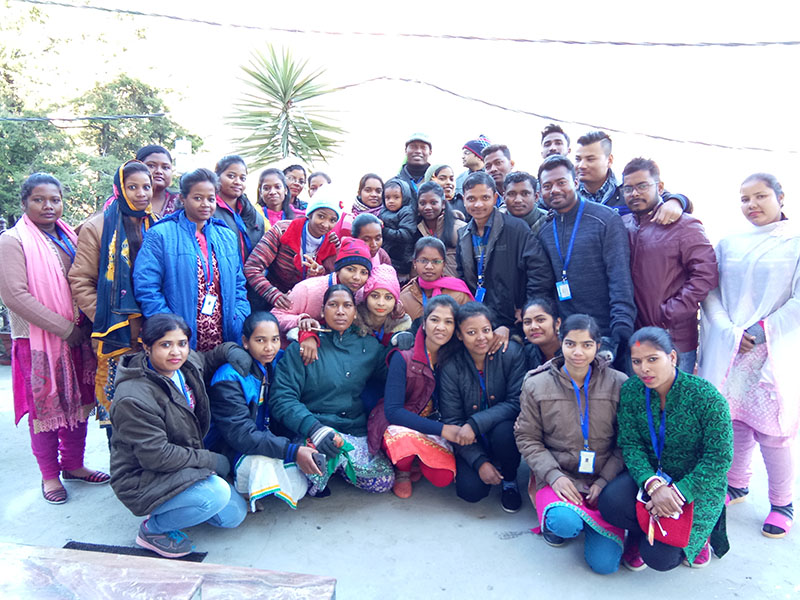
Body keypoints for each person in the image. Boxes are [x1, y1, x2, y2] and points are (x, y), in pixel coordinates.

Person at [699, 173, 799, 539]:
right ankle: (736, 483)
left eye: (760, 196)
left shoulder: (795, 241)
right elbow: (710, 291)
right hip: (732, 348)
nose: (752, 205)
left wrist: (759, 331)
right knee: (733, 421)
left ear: (780, 197)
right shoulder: (729, 243)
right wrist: (729, 331)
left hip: (772, 349)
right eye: (745, 199)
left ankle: (782, 503)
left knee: (774, 432)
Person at [0, 173, 108, 505]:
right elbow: (15, 296)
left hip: (77, 338)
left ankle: (74, 464)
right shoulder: (12, 241)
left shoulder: (69, 236)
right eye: (39, 199)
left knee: (80, 402)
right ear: (24, 203)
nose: (48, 206)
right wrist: (65, 330)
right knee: (45, 410)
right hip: (38, 343)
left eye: (55, 199)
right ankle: (49, 475)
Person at [109, 314, 248, 559]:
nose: (176, 352)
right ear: (146, 347)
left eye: (182, 343)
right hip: (143, 476)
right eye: (165, 345)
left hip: (180, 464)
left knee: (233, 516)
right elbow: (157, 456)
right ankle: (153, 530)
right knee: (214, 495)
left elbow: (208, 358)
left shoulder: (185, 365)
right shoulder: (133, 397)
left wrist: (231, 350)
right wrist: (209, 461)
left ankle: (179, 505)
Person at [599, 328, 733, 571]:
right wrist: (653, 485)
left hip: (696, 484)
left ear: (671, 357)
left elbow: (719, 458)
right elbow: (631, 444)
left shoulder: (705, 397)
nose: (644, 369)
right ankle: (642, 530)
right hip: (652, 477)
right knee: (610, 503)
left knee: (660, 558)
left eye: (652, 359)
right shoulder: (632, 390)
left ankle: (700, 538)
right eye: (637, 361)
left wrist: (678, 493)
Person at [515, 314, 627, 574]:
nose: (578, 352)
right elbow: (527, 437)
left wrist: (605, 480)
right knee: (565, 524)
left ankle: (590, 520)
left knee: (605, 566)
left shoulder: (619, 383)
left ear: (598, 346)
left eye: (586, 345)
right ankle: (566, 519)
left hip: (604, 480)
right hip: (559, 475)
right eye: (570, 344)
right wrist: (553, 476)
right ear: (560, 342)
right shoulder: (536, 383)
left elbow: (626, 441)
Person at [270, 284, 394, 496]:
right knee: (310, 473)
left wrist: (401, 344)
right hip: (314, 430)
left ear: (355, 312)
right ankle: (326, 468)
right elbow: (281, 398)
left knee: (384, 480)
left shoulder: (369, 346)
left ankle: (337, 464)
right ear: (322, 310)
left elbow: (394, 371)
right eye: (333, 305)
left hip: (352, 430)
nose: (340, 311)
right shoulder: (303, 346)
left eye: (347, 306)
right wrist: (314, 429)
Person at [69, 160, 157, 424]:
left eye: (146, 187)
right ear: (120, 189)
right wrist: (105, 316)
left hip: (153, 331)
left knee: (153, 411)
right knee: (118, 413)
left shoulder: (158, 225)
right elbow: (80, 280)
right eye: (133, 187)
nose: (141, 193)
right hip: (115, 335)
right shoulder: (97, 227)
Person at [206, 311, 321, 511]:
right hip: (232, 448)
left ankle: (258, 485)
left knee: (301, 480)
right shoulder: (229, 377)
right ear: (245, 342)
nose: (269, 348)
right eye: (260, 340)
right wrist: (291, 451)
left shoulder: (278, 362)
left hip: (268, 438)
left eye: (275, 339)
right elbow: (241, 435)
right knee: (262, 465)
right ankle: (235, 482)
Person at [537, 155, 635, 372]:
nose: (554, 190)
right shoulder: (545, 230)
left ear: (575, 182)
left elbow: (620, 277)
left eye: (561, 182)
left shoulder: (605, 219)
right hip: (569, 338)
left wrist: (621, 329)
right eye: (547, 186)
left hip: (607, 334)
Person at [133, 168, 250, 351]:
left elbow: (239, 284)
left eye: (211, 199)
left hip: (225, 336)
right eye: (198, 198)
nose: (205, 204)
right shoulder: (161, 234)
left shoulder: (226, 236)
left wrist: (239, 317)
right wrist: (169, 327)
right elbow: (146, 287)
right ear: (182, 198)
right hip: (178, 342)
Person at [622, 158, 718, 373]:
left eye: (642, 186)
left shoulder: (685, 225)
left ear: (660, 187)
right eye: (628, 188)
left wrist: (670, 312)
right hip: (635, 338)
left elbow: (706, 275)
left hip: (674, 339)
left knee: (675, 395)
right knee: (637, 394)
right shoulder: (624, 225)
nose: (634, 193)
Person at [368, 295, 462, 498]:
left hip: (433, 423)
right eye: (435, 320)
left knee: (443, 477)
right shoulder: (403, 356)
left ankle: (416, 460)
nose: (441, 327)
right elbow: (393, 412)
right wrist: (443, 430)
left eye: (448, 322)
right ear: (425, 323)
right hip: (399, 424)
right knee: (403, 442)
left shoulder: (455, 357)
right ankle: (403, 469)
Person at [439, 302, 526, 511]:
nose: (481, 337)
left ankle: (510, 480)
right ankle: (486, 463)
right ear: (459, 335)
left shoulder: (511, 353)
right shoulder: (451, 366)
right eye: (471, 332)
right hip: (468, 440)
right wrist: (479, 462)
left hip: (500, 434)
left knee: (505, 431)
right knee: (471, 491)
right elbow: (452, 420)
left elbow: (517, 402)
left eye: (486, 330)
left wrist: (475, 424)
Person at [456, 171, 554, 334]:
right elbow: (462, 276)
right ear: (463, 199)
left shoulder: (515, 228)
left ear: (495, 198)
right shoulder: (463, 235)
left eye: (485, 198)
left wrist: (528, 307)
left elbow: (540, 271)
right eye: (471, 199)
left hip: (514, 318)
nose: (478, 204)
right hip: (480, 319)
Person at [243, 185, 342, 309]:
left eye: (332, 220)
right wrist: (274, 295)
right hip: (269, 301)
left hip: (305, 303)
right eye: (321, 216)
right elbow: (252, 268)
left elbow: (332, 280)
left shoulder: (331, 243)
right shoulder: (282, 230)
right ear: (310, 214)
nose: (325, 224)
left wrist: (319, 274)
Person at [272, 237, 372, 349]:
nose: (357, 277)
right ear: (338, 269)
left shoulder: (361, 294)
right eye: (350, 269)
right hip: (295, 348)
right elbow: (276, 316)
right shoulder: (308, 289)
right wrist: (301, 321)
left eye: (363, 272)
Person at [575, 130, 691, 221]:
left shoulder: (628, 188)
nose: (581, 165)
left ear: (609, 160)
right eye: (578, 159)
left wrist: (676, 202)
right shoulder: (570, 194)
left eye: (590, 159)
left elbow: (671, 198)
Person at [400, 237, 473, 322]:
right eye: (423, 261)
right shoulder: (404, 298)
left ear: (444, 264)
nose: (429, 267)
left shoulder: (458, 294)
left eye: (436, 262)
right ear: (414, 263)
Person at [212, 155, 265, 263]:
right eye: (231, 176)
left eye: (242, 178)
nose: (238, 182)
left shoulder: (255, 216)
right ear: (217, 177)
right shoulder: (208, 211)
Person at [413, 181, 467, 278]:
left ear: (443, 204)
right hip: (424, 286)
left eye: (433, 203)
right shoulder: (414, 230)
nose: (427, 207)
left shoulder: (460, 229)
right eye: (422, 203)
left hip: (455, 285)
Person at [357, 264, 412, 347]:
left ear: (396, 301)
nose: (381, 303)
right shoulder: (354, 323)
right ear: (366, 298)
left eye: (388, 297)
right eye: (375, 296)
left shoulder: (402, 325)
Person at [380, 178, 416, 281]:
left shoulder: (407, 212)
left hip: (401, 259)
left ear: (404, 197)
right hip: (386, 256)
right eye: (387, 198)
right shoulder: (383, 212)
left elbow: (405, 234)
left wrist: (383, 230)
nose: (391, 201)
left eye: (396, 197)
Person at [137, 145, 180, 216]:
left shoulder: (181, 202)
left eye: (165, 167)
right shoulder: (123, 202)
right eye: (151, 166)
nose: (159, 171)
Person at [521, 297, 562, 370]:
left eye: (540, 320)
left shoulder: (571, 351)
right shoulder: (525, 354)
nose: (533, 327)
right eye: (527, 322)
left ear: (557, 323)